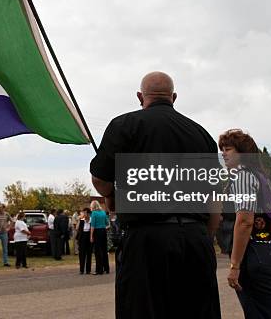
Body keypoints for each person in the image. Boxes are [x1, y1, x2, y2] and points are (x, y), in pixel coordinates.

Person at [90, 71, 221, 318]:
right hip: (195, 239)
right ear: (174, 97)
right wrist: (204, 235)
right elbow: (214, 196)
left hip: (146, 240)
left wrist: (111, 196)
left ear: (140, 96)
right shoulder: (201, 134)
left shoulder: (125, 125)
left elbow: (100, 179)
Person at [220, 129, 271, 319]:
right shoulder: (261, 176)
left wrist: (234, 265)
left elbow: (244, 221)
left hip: (256, 251)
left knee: (259, 313)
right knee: (270, 312)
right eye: (222, 149)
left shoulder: (242, 176)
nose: (223, 153)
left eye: (228, 149)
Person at [89, 201, 109, 275]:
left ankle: (99, 270)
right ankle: (106, 268)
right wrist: (103, 228)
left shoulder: (94, 213)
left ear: (93, 206)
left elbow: (92, 226)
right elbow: (107, 224)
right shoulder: (103, 212)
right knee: (104, 250)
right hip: (103, 231)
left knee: (98, 251)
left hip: (97, 232)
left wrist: (91, 236)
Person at [76, 208, 93, 274]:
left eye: (85, 213)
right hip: (82, 237)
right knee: (82, 254)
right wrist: (79, 220)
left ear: (89, 214)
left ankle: (88, 270)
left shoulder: (91, 220)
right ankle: (81, 270)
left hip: (89, 236)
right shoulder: (81, 220)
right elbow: (77, 228)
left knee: (89, 254)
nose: (84, 214)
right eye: (83, 213)